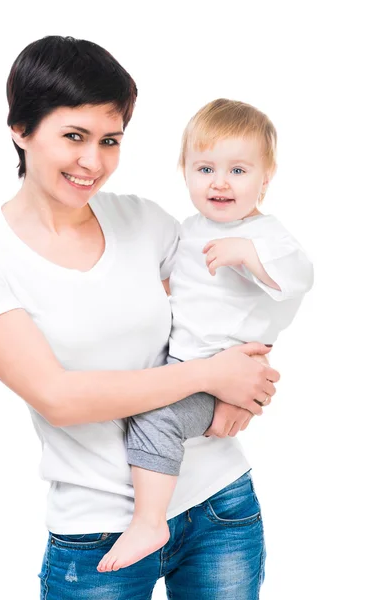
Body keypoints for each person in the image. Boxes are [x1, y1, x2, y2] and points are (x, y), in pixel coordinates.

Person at [0, 36, 281, 599]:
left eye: (110, 140)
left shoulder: (143, 221)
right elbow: (61, 398)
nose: (93, 162)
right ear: (21, 129)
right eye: (73, 136)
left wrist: (245, 385)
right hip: (97, 531)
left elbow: (219, 315)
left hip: (218, 502)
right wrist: (210, 376)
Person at [97, 98, 314, 573]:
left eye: (238, 170)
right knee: (146, 401)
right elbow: (169, 285)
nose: (219, 182)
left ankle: (150, 521)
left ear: (266, 176)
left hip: (221, 376)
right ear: (185, 171)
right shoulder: (186, 231)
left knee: (155, 415)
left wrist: (249, 254)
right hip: (186, 367)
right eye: (205, 168)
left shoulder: (267, 235)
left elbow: (298, 277)